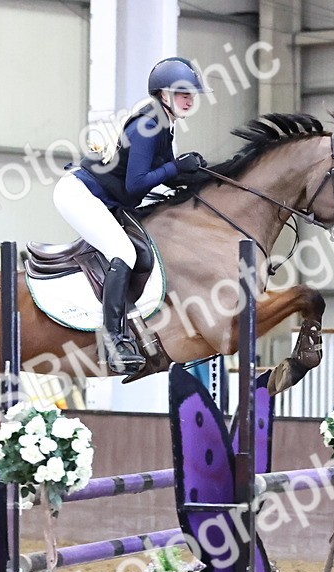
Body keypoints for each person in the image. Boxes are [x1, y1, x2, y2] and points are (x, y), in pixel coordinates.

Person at [54, 56, 211, 376]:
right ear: (163, 95)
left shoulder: (165, 124)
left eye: (191, 94)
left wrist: (198, 174)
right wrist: (175, 167)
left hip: (107, 198)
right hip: (80, 195)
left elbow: (166, 176)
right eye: (182, 93)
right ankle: (114, 339)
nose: (189, 99)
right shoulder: (148, 123)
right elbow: (137, 183)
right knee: (122, 251)